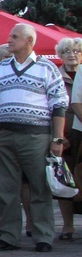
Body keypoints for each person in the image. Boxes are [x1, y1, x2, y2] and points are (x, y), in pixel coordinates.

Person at [0, 24, 68, 253]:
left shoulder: (47, 68)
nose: (8, 39)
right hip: (6, 136)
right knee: (5, 187)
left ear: (29, 41)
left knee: (39, 187)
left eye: (14, 37)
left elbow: (59, 105)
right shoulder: (1, 68)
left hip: (36, 136)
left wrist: (57, 139)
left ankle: (43, 236)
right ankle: (9, 236)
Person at [55, 38, 82, 240]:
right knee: (66, 178)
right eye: (66, 51)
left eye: (75, 51)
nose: (72, 55)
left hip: (78, 130)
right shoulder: (56, 75)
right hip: (65, 131)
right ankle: (67, 226)